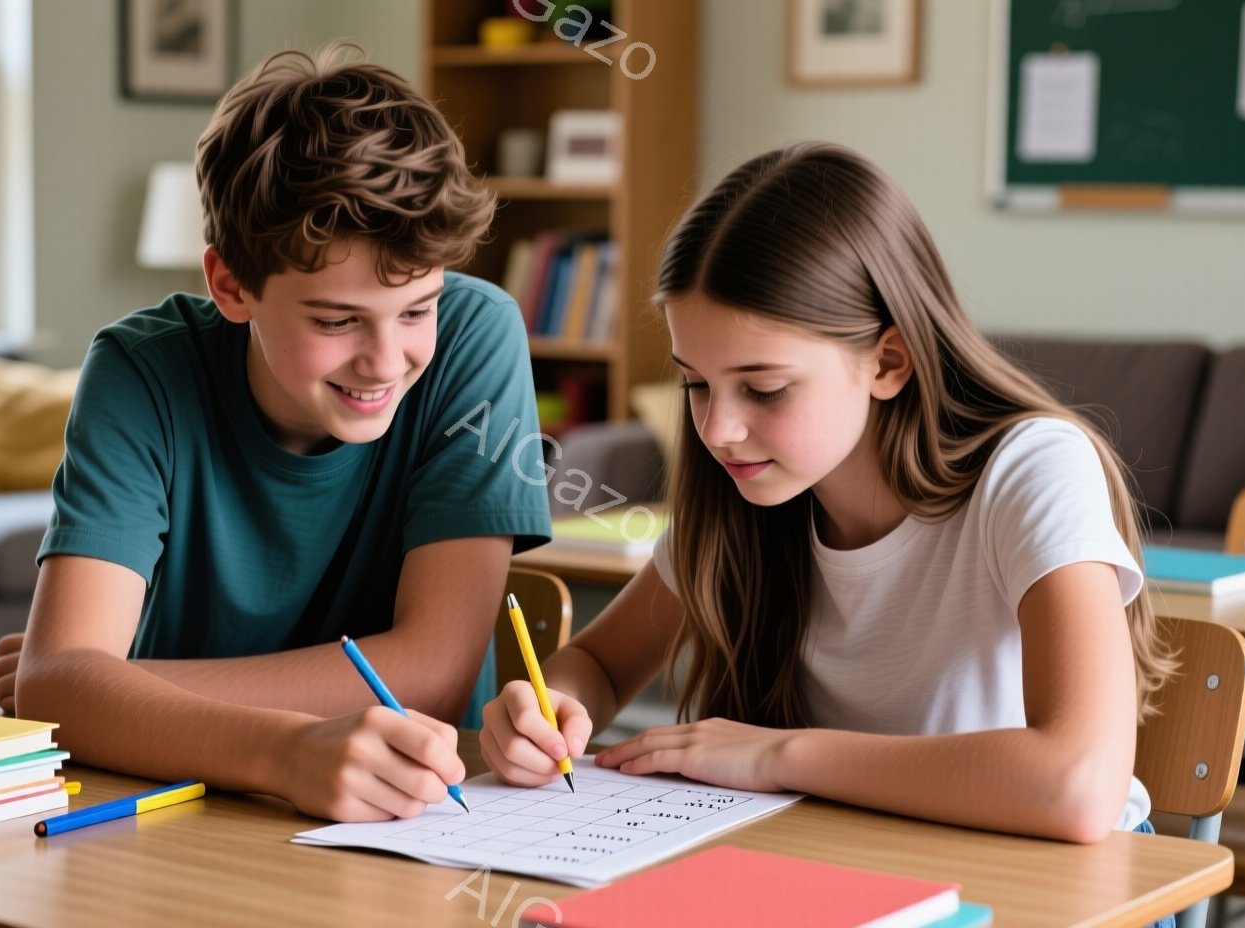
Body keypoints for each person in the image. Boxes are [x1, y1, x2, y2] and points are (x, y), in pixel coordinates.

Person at [480, 142, 1177, 846]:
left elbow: (1079, 786)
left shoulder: (1033, 468)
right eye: (696, 383)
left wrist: (780, 754)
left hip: (1061, 889)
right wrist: (551, 708)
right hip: (852, 861)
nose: (718, 429)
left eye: (765, 388)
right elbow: (598, 664)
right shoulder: (748, 497)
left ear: (888, 361)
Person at [0, 43, 551, 823]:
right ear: (230, 284)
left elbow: (434, 675)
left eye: (417, 308)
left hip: (417, 810)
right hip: (184, 813)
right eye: (335, 319)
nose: (387, 361)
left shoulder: (474, 336)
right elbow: (63, 689)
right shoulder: (140, 371)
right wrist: (281, 751)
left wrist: (114, 684)